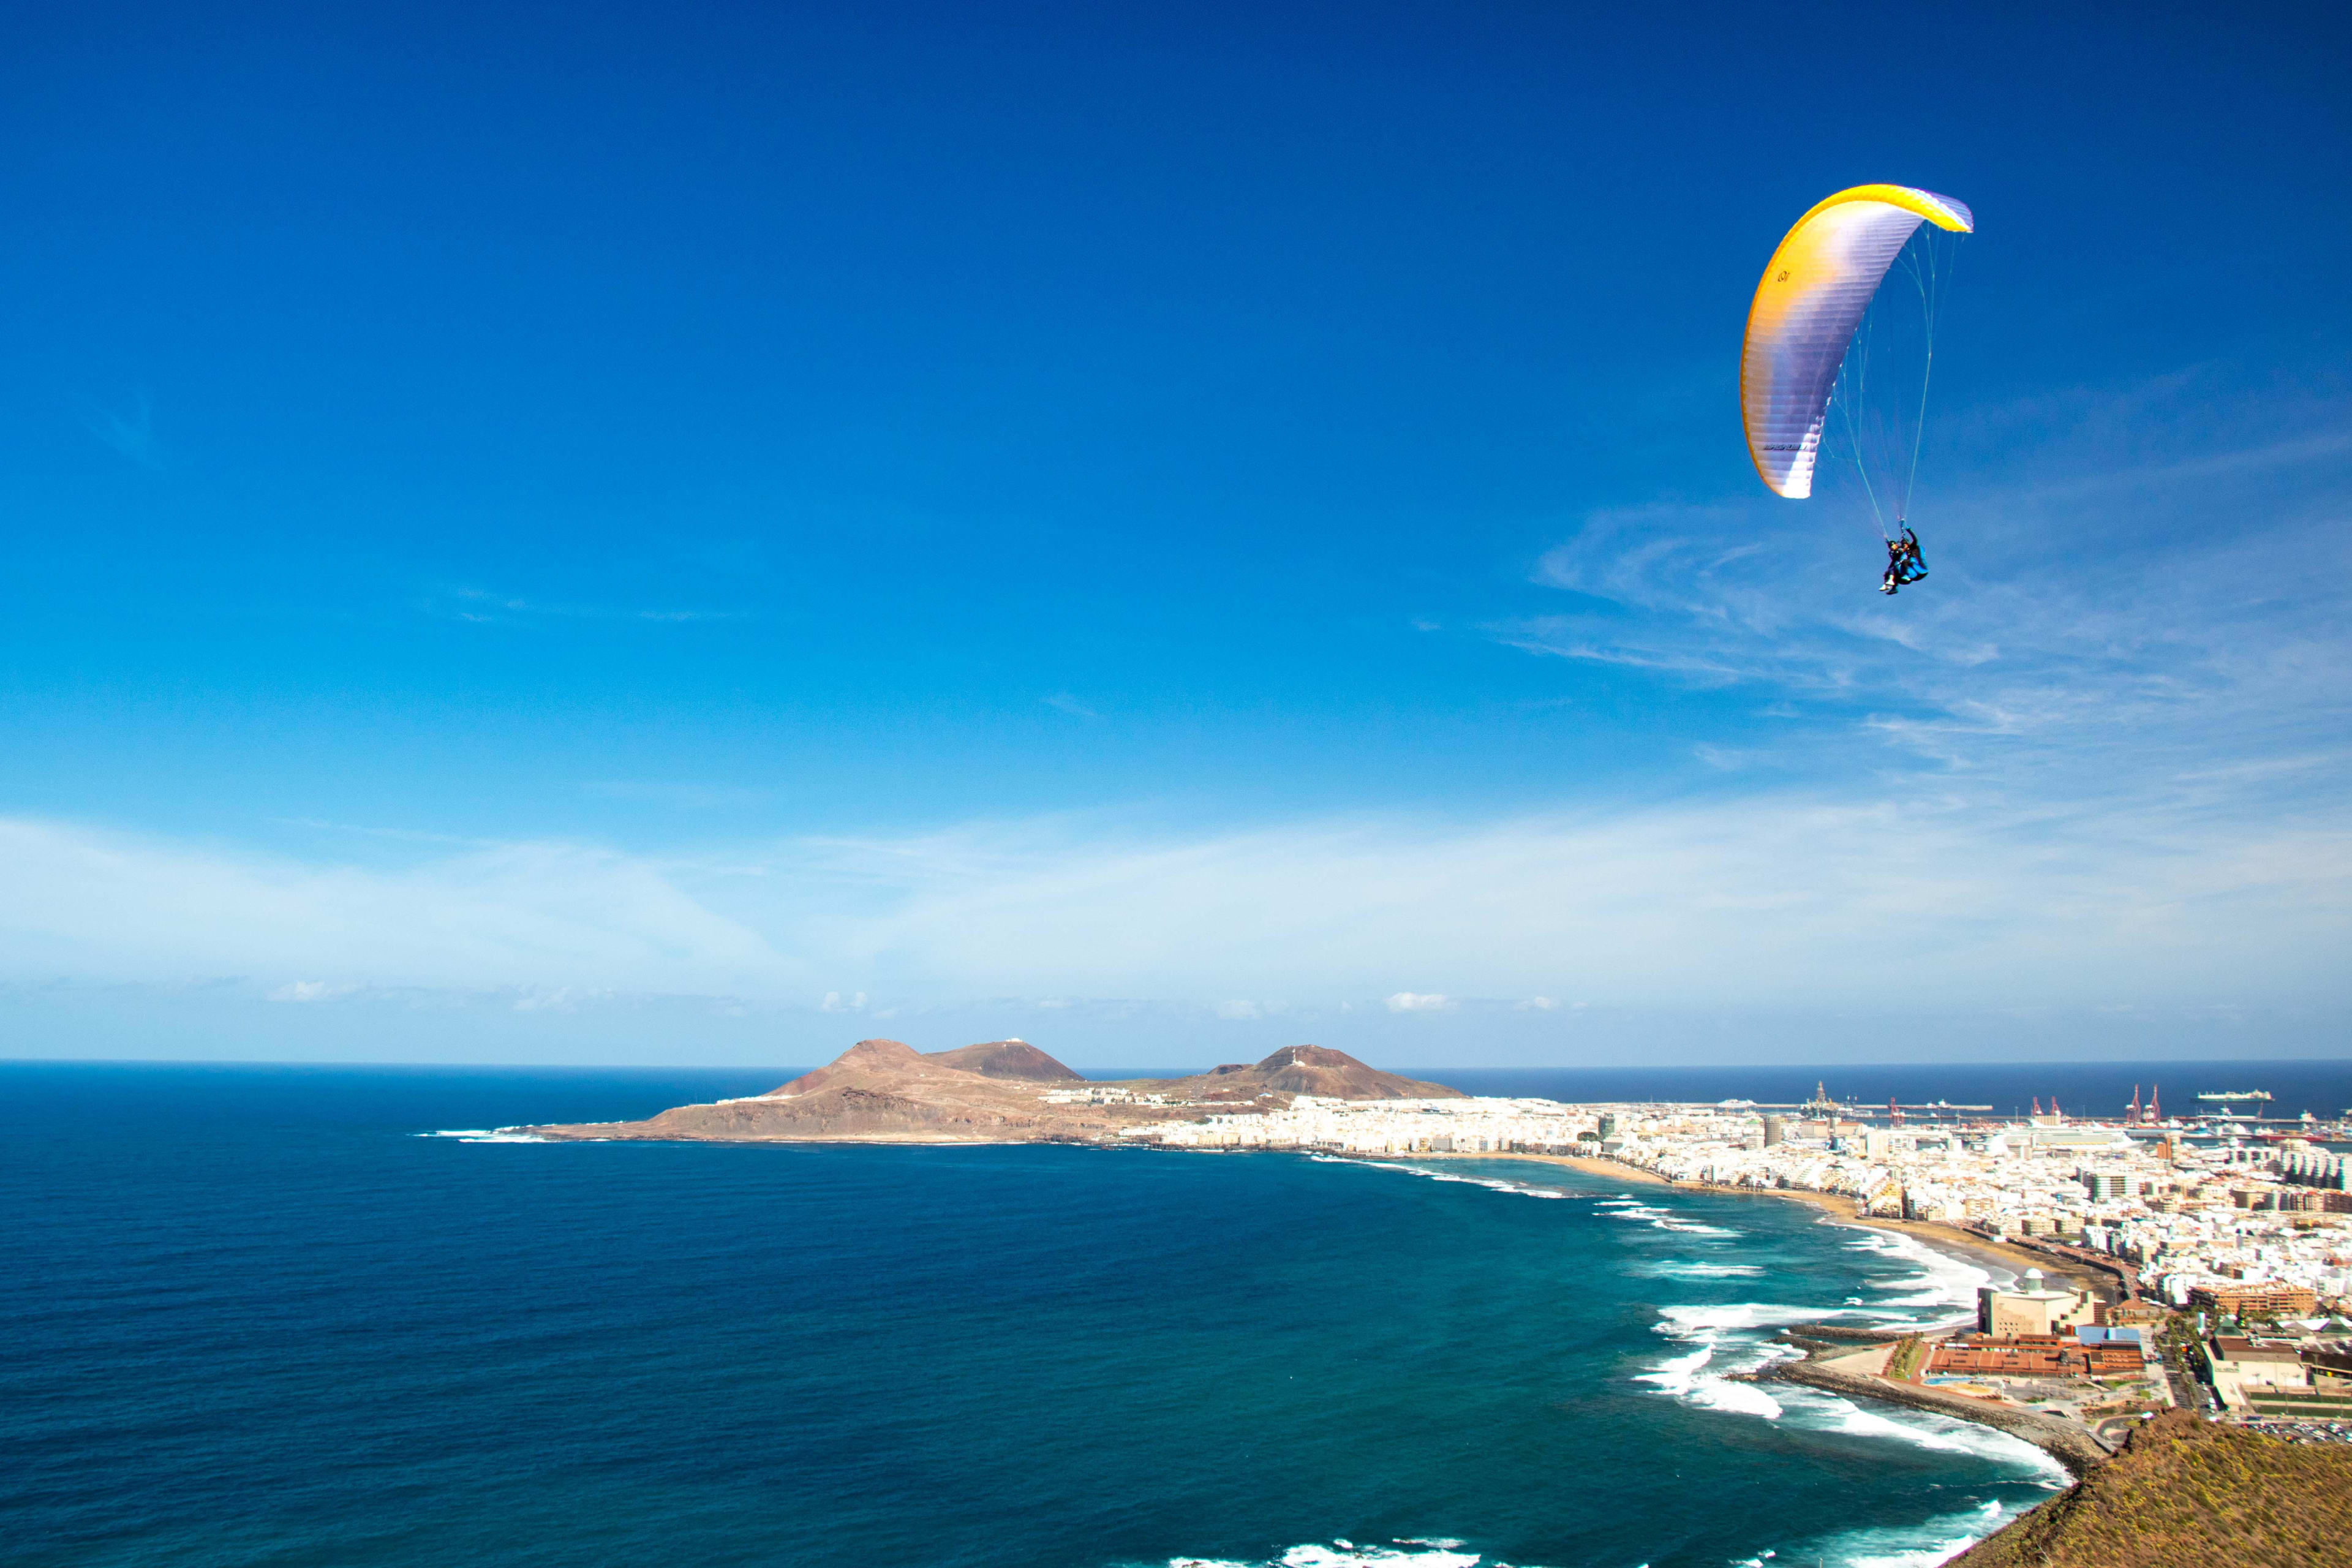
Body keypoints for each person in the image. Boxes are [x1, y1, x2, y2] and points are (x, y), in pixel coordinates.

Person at [1880, 524, 1928, 594]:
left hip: (1915, 566)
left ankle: (1906, 575)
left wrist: (1909, 531)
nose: (1903, 546)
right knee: (1892, 570)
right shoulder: (1900, 552)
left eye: (1905, 545)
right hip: (1908, 569)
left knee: (1904, 562)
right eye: (1903, 545)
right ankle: (1893, 588)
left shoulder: (1912, 548)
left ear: (1908, 544)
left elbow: (1916, 540)